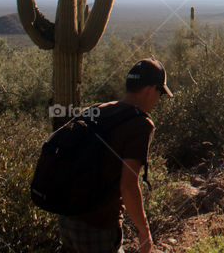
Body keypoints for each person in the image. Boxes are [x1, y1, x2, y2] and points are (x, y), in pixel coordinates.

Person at [58, 58, 173, 253]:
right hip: (97, 224)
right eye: (159, 92)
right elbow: (128, 185)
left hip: (67, 218)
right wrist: (144, 230)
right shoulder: (140, 124)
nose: (158, 99)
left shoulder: (97, 109)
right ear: (149, 90)